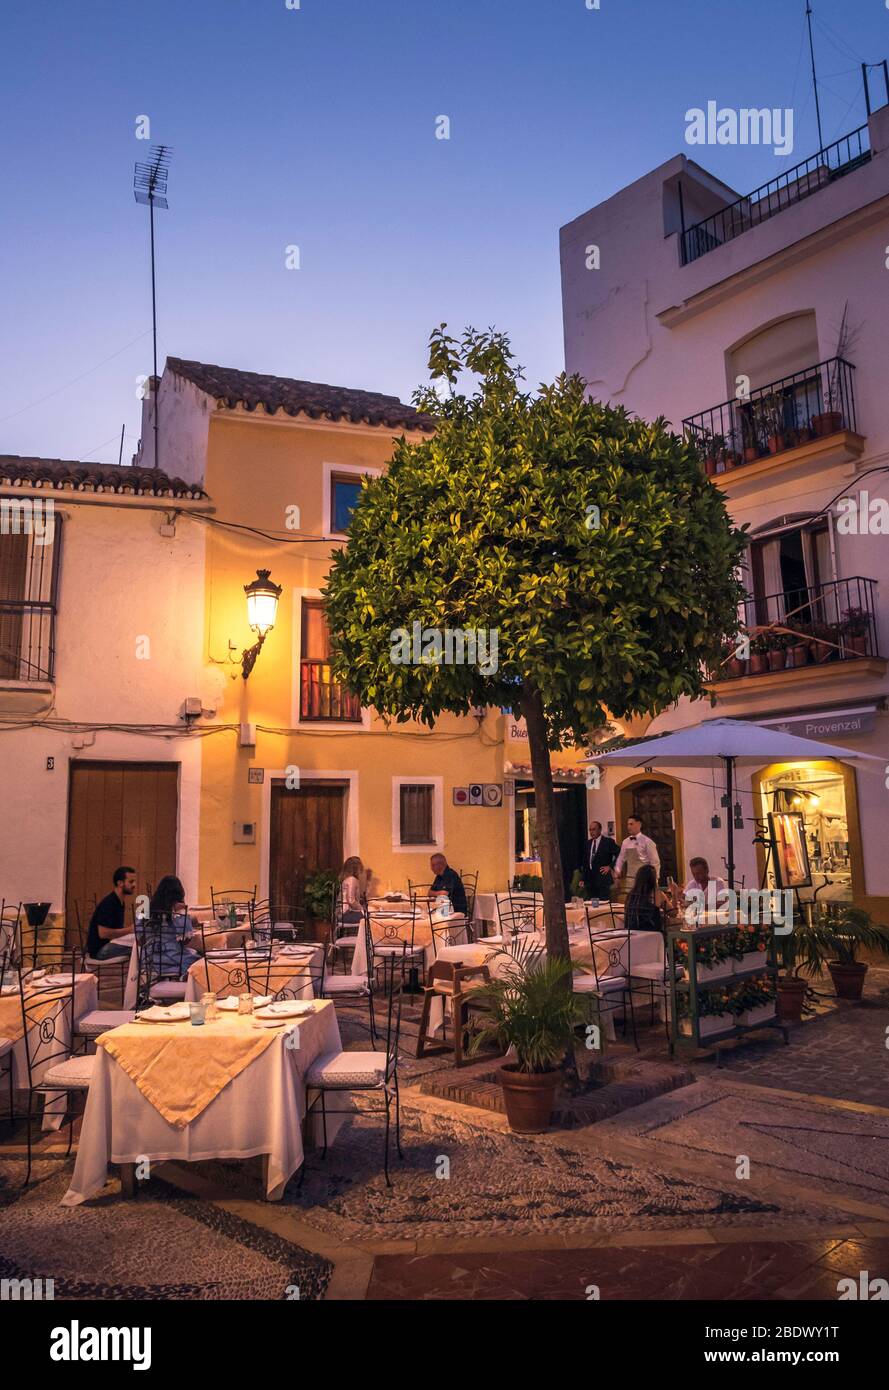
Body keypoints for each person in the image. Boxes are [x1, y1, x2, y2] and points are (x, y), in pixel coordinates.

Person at [136, 875, 201, 978]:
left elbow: (140, 940)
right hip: (173, 961)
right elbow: (186, 939)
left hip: (149, 962)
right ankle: (186, 985)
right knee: (200, 961)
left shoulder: (146, 909)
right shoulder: (178, 910)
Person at [86, 866, 136, 961]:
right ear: (120, 883)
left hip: (110, 944)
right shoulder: (109, 903)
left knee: (140, 942)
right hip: (100, 950)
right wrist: (129, 930)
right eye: (131, 882)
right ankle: (138, 975)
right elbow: (103, 933)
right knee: (140, 947)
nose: (134, 885)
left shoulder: (120, 902)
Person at [612, 815, 661, 895]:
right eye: (628, 824)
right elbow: (621, 859)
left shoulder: (647, 842)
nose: (628, 827)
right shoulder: (625, 842)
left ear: (639, 824)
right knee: (631, 901)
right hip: (630, 880)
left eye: (631, 824)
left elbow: (655, 862)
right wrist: (617, 872)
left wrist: (655, 879)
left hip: (644, 879)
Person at [623, 864, 671, 934]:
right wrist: (675, 893)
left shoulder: (631, 895)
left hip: (631, 936)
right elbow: (673, 912)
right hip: (652, 934)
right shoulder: (656, 893)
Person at [583, 820, 619, 900]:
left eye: (594, 829)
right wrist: (583, 878)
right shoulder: (588, 843)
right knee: (592, 904)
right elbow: (586, 862)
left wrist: (610, 866)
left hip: (603, 879)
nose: (591, 832)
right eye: (590, 830)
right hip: (590, 881)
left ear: (599, 830)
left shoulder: (608, 842)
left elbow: (620, 854)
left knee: (604, 903)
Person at [337, 856, 366, 925]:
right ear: (356, 868)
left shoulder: (348, 879)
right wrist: (362, 909)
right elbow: (351, 900)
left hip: (344, 913)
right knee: (371, 917)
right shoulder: (352, 879)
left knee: (370, 914)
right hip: (346, 914)